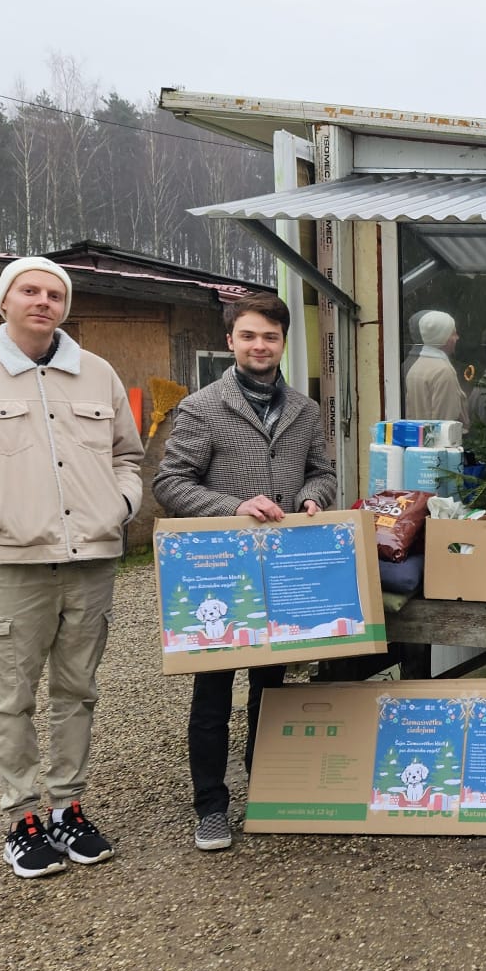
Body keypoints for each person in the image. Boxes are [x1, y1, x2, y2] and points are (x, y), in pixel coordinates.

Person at [0, 256, 143, 879]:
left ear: (66, 306)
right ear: (4, 301)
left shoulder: (97, 373)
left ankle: (67, 807)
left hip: (91, 560)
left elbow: (127, 457)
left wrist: (119, 505)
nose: (43, 301)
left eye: (54, 294)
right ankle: (22, 818)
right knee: (13, 698)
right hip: (16, 563)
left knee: (78, 690)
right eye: (29, 291)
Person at [154, 293, 336, 852]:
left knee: (271, 687)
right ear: (231, 341)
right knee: (213, 692)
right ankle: (210, 806)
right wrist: (233, 507)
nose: (261, 346)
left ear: (283, 343)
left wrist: (312, 498)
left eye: (271, 337)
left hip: (282, 568)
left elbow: (323, 472)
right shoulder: (202, 407)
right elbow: (170, 483)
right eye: (250, 336)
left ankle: (267, 787)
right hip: (220, 570)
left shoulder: (305, 410)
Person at [404, 309, 468, 422]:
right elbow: (446, 422)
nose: (457, 337)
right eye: (453, 333)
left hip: (419, 433)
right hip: (438, 434)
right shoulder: (443, 371)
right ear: (442, 337)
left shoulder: (416, 366)